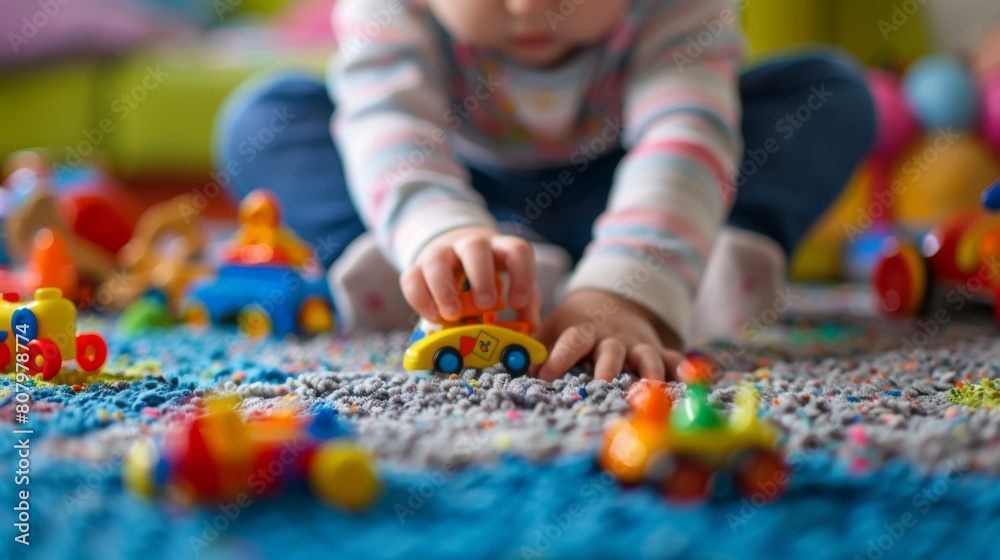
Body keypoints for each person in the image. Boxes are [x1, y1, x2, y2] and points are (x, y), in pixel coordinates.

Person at [214, 0, 875, 381]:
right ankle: (420, 270)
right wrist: (441, 233)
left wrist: (622, 288)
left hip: (623, 189)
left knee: (828, 92)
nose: (530, 7)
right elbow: (391, 126)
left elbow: (685, 133)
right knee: (264, 118)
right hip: (463, 190)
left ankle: (703, 258)